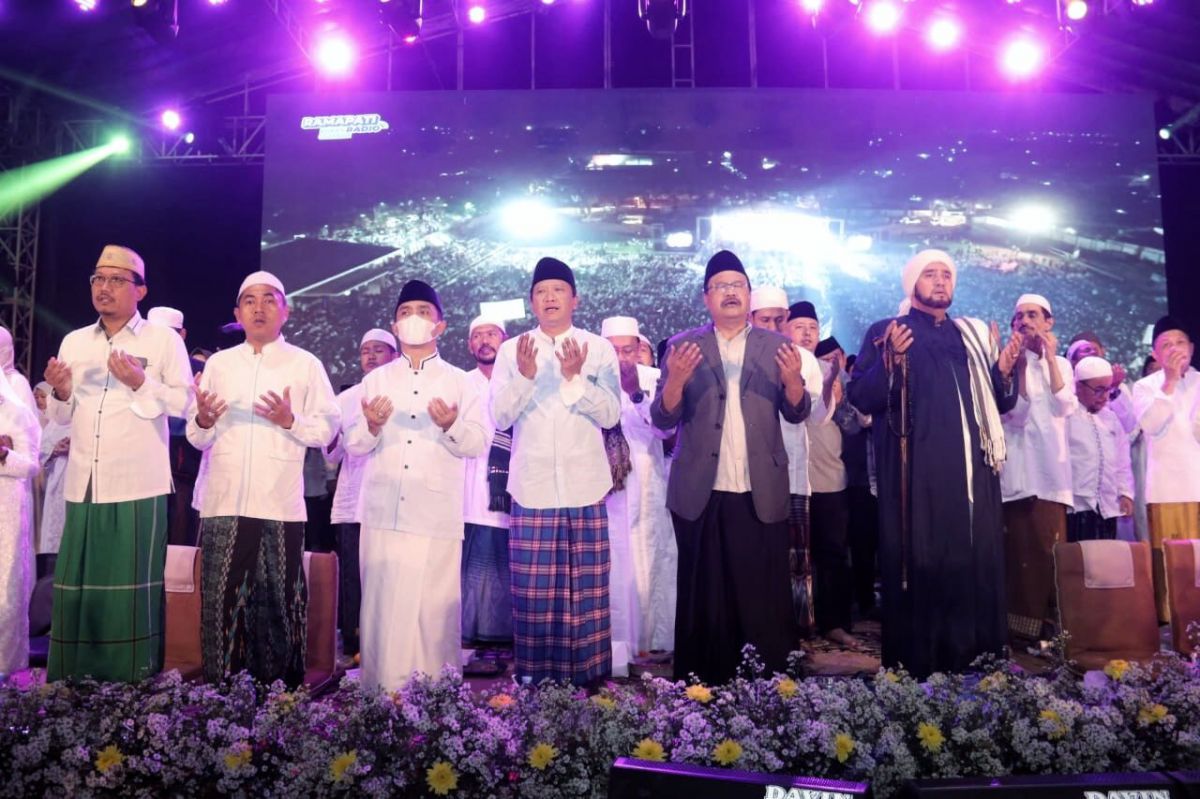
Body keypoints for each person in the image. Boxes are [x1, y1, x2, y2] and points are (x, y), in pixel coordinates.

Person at [848, 249, 1020, 680]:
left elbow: (999, 402)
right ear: (912, 283)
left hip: (974, 474)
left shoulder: (971, 336)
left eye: (947, 274)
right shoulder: (886, 331)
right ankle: (921, 664)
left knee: (974, 559)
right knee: (923, 559)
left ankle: (978, 658)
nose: (941, 280)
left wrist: (1001, 371)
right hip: (918, 474)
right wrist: (888, 362)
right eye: (930, 273)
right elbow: (862, 398)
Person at [651, 250, 812, 684]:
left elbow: (797, 414)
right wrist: (676, 382)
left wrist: (795, 383)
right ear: (706, 298)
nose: (730, 293)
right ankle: (702, 687)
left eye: (737, 286)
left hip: (760, 488)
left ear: (749, 294)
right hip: (701, 491)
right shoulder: (683, 346)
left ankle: (766, 684)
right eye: (720, 287)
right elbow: (663, 420)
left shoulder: (777, 346)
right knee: (705, 593)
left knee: (761, 594)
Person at [44, 245, 193, 682]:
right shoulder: (74, 341)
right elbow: (60, 417)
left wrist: (140, 382)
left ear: (140, 290)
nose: (104, 288)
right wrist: (62, 392)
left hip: (137, 482)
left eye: (115, 280)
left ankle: (131, 680)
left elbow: (184, 403)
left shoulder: (161, 340)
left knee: (129, 593)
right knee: (78, 587)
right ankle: (74, 678)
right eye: (97, 279)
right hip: (84, 480)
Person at [188, 270, 340, 686]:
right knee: (221, 602)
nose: (259, 307)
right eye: (250, 300)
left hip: (279, 505)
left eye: (269, 299)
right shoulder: (219, 364)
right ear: (237, 312)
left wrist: (290, 420)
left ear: (285, 311)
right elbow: (197, 435)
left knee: (280, 602)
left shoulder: (305, 364)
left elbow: (327, 427)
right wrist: (202, 418)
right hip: (225, 501)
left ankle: (279, 698)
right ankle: (223, 693)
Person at [347, 280, 486, 690]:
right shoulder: (375, 381)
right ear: (394, 325)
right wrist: (372, 425)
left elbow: (476, 443)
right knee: (382, 610)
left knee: (432, 614)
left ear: (440, 325)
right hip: (383, 511)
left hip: (435, 514)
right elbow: (354, 445)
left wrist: (450, 425)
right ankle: (380, 696)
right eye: (406, 312)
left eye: (423, 311)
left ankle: (434, 700)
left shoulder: (461, 382)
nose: (414, 319)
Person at [490, 257, 621, 686]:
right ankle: (536, 684)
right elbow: (500, 414)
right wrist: (526, 378)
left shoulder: (596, 349)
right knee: (534, 596)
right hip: (533, 488)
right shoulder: (513, 351)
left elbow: (611, 414)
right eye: (541, 291)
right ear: (531, 302)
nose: (549, 297)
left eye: (558, 290)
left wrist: (574, 378)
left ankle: (589, 682)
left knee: (587, 595)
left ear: (574, 299)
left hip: (585, 484)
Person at [1000, 294, 1076, 647]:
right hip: (1018, 475)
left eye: (1032, 315)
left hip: (1051, 475)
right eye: (1019, 316)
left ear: (1049, 322)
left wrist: (1049, 361)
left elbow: (1064, 405)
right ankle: (1022, 634)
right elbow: (1013, 413)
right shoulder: (1003, 363)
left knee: (1051, 555)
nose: (1024, 321)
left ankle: (1052, 631)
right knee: (1020, 557)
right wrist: (1015, 364)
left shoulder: (1060, 363)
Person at [602, 315, 678, 664]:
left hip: (647, 481)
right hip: (604, 486)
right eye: (614, 350)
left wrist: (635, 393)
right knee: (614, 560)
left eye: (628, 349)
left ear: (639, 348)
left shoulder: (653, 379)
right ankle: (615, 644)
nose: (621, 357)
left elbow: (665, 432)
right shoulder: (591, 376)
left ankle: (652, 639)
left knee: (649, 557)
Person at [326, 328, 398, 659]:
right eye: (365, 350)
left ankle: (390, 642)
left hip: (394, 503)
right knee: (354, 577)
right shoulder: (344, 399)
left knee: (389, 574)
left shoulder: (406, 393)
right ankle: (355, 645)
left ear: (395, 355)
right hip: (353, 503)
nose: (369, 355)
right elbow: (331, 457)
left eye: (378, 350)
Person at [1132, 315, 1200, 622]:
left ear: (1192, 348)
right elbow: (1151, 424)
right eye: (1165, 345)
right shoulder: (1144, 387)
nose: (1174, 350)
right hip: (1166, 490)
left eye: (1180, 343)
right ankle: (1173, 629)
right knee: (1172, 566)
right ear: (1155, 355)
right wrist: (1170, 381)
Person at [460, 316, 515, 653]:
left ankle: (509, 638)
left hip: (513, 488)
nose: (484, 341)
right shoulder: (461, 383)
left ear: (504, 339)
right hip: (471, 487)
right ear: (469, 345)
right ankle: (474, 638)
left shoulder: (519, 380)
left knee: (509, 565)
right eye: (477, 336)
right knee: (475, 565)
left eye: (491, 334)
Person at [775, 301, 825, 639]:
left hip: (793, 472)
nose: (806, 333)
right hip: (753, 475)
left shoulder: (805, 360)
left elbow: (814, 410)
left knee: (797, 559)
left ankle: (797, 630)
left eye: (813, 327)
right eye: (766, 318)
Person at [809, 334, 861, 649]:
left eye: (810, 327)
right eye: (798, 325)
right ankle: (798, 624)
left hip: (830, 478)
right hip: (789, 481)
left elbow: (853, 426)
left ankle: (835, 623)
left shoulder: (837, 376)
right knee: (793, 559)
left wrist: (838, 399)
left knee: (833, 554)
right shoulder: (777, 367)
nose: (804, 333)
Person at [147, 306, 201, 547]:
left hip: (181, 452)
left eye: (169, 333)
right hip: (140, 451)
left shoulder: (199, 368)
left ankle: (177, 576)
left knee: (179, 514)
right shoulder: (137, 364)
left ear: (182, 335)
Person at [1065, 357, 1134, 542]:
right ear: (1079, 386)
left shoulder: (1111, 419)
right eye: (1098, 390)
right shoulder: (1067, 416)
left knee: (1107, 565)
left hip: (1108, 507)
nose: (1104, 396)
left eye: (1108, 389)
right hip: (1077, 508)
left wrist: (1125, 493)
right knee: (1079, 566)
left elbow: (1122, 461)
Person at [0, 376, 39, 677]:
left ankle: (7, 670)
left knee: (6, 596)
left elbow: (31, 466)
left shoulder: (19, 413)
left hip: (7, 512)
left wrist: (4, 454)